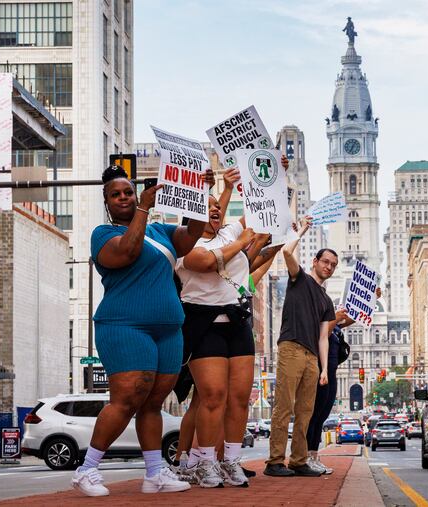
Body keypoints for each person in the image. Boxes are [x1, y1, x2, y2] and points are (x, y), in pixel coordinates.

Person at [71, 165, 214, 497]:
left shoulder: (160, 231)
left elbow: (192, 235)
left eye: (128, 192)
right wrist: (143, 208)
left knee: (153, 403)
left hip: (167, 329)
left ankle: (154, 474)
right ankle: (87, 469)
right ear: (107, 202)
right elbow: (128, 251)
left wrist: (200, 194)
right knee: (127, 398)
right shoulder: (102, 233)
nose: (123, 197)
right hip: (125, 326)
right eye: (116, 194)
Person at [174, 164, 285, 487]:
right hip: (203, 324)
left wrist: (273, 174)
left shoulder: (227, 232)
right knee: (212, 397)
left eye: (217, 209)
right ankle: (205, 461)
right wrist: (245, 238)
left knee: (239, 397)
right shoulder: (186, 247)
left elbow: (264, 216)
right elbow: (209, 263)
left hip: (236, 323)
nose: (215, 212)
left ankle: (231, 461)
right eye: (207, 209)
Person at [264, 223, 337, 477]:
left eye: (333, 265)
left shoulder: (327, 300)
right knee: (284, 406)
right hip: (291, 348)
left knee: (306, 410)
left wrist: (325, 368)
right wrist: (300, 231)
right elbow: (286, 253)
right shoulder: (300, 278)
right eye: (325, 262)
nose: (328, 267)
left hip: (312, 358)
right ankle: (274, 461)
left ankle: (298, 460)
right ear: (315, 261)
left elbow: (323, 337)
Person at [305, 287, 381, 474]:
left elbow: (348, 320)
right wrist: (335, 318)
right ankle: (307, 457)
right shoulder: (318, 319)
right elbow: (324, 330)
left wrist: (370, 301)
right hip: (321, 371)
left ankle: (314, 456)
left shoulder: (335, 322)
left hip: (332, 371)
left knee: (322, 415)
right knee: (314, 415)